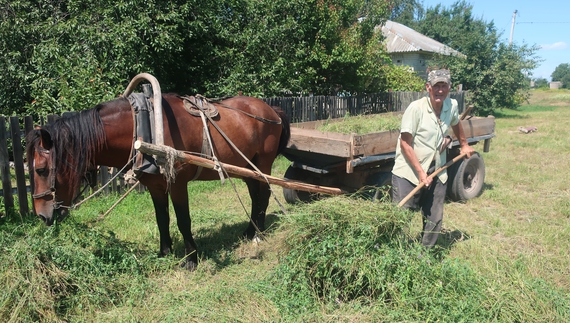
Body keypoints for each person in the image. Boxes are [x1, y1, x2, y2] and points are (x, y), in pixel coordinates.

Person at [391, 69, 475, 248]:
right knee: (401, 216)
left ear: (449, 88)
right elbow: (405, 144)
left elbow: (456, 122)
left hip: (437, 169)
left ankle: (425, 254)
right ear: (428, 87)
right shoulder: (416, 109)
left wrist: (464, 144)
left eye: (444, 86)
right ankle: (395, 254)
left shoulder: (450, 105)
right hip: (409, 172)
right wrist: (421, 173)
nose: (440, 90)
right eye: (436, 86)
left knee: (434, 217)